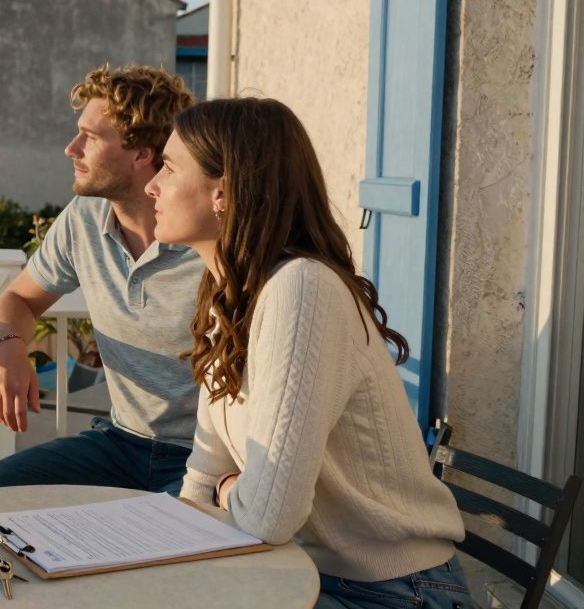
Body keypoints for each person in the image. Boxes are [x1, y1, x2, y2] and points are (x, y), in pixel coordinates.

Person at [145, 97, 469, 608]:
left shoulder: (302, 291)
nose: (151, 185)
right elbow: (207, 470)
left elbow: (269, 517)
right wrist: (180, 549)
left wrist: (231, 491)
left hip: (393, 592)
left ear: (222, 192)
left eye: (167, 166)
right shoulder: (229, 298)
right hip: (306, 571)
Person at [0, 64, 204, 496]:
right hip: (120, 443)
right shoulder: (84, 219)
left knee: (146, 545)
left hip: (202, 458)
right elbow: (19, 298)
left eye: (90, 137)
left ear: (141, 154)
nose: (70, 148)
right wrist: (9, 350)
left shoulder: (205, 235)